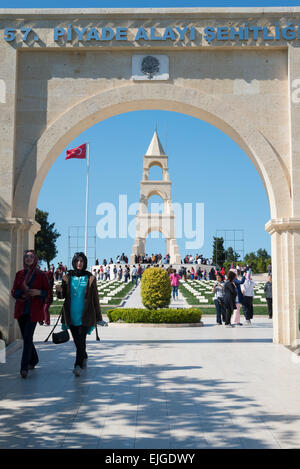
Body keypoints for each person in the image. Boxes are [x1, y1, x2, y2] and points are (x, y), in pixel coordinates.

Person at [56, 252, 104, 377]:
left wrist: (99, 318)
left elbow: (95, 298)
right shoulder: (67, 277)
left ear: (85, 263)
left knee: (81, 340)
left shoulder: (90, 278)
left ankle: (77, 365)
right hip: (71, 315)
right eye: (77, 261)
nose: (79, 263)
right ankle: (84, 356)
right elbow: (62, 296)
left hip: (85, 315)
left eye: (82, 261)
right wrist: (59, 291)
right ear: (74, 262)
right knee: (77, 342)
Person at [11, 250, 49, 378]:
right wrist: (22, 293)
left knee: (27, 338)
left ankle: (24, 368)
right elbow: (14, 291)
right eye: (26, 256)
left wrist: (38, 292)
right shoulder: (19, 274)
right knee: (27, 338)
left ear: (35, 259)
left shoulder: (40, 275)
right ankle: (34, 359)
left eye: (31, 256)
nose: (28, 258)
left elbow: (48, 293)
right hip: (21, 310)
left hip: (34, 311)